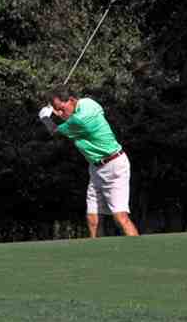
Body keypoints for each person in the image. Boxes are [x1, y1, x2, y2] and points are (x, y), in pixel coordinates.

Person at [38, 86, 140, 238]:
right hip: (96, 167)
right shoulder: (87, 102)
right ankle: (95, 253)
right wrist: (55, 107)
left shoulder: (80, 120)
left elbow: (55, 131)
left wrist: (45, 118)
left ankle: (139, 249)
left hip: (114, 166)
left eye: (60, 108)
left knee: (120, 217)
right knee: (92, 217)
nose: (58, 113)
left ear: (71, 100)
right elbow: (68, 114)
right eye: (55, 109)